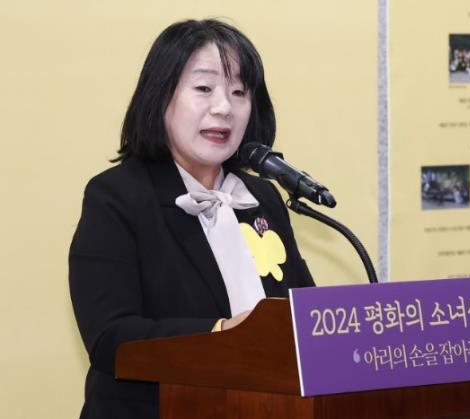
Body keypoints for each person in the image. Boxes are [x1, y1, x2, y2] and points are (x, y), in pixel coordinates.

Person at [69, 19, 315, 419]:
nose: (224, 107)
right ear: (160, 95)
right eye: (204, 88)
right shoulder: (116, 197)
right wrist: (225, 334)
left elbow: (303, 320)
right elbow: (111, 338)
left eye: (239, 92)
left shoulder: (261, 197)